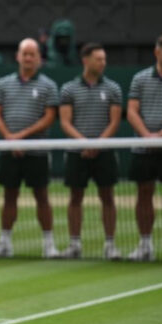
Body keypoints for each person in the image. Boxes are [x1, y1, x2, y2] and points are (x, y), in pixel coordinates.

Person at [0, 39, 61, 259]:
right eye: (24, 54)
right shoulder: (4, 84)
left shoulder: (48, 85)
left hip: (36, 151)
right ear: (18, 57)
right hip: (10, 150)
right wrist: (10, 139)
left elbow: (49, 117)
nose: (28, 58)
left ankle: (49, 244)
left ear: (39, 58)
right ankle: (5, 242)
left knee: (42, 196)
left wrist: (22, 137)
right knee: (9, 196)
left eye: (32, 54)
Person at [58, 43, 123, 260]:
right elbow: (65, 122)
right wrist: (84, 143)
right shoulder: (68, 89)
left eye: (104, 59)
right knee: (75, 197)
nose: (102, 63)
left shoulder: (113, 88)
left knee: (108, 197)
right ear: (85, 60)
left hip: (104, 152)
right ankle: (74, 244)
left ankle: (110, 245)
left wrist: (98, 144)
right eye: (98, 59)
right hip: (77, 152)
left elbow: (114, 122)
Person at [125, 35, 162, 262]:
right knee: (144, 196)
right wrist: (146, 136)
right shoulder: (140, 79)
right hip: (144, 150)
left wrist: (161, 137)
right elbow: (132, 110)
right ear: (158, 53)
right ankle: (145, 245)